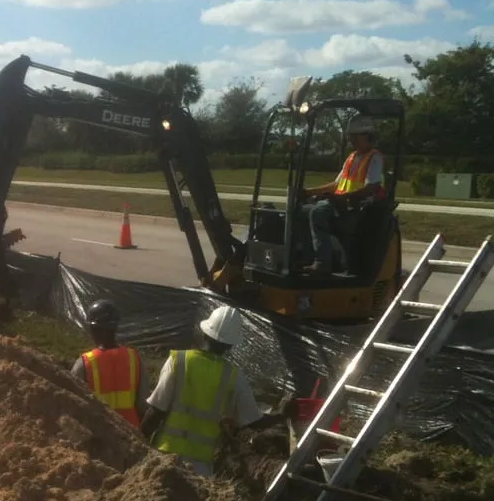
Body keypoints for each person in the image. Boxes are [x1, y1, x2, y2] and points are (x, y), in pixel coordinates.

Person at [139, 305, 288, 477]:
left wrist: (138, 443)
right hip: (200, 467)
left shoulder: (178, 361)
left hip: (165, 457)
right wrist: (282, 414)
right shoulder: (233, 376)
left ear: (204, 333)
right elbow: (253, 420)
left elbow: (156, 411)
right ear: (231, 346)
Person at [299, 115, 387, 275]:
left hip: (357, 209)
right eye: (350, 136)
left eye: (355, 136)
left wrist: (344, 198)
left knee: (318, 213)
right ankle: (305, 257)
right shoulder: (352, 157)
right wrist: (309, 192)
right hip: (341, 205)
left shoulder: (374, 158)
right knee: (302, 210)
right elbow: (336, 184)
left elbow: (371, 188)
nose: (351, 140)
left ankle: (322, 264)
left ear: (367, 135)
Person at [71, 299, 149, 429]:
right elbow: (143, 404)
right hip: (132, 434)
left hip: (103, 435)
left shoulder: (84, 363)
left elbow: (73, 404)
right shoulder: (134, 358)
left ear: (93, 329)